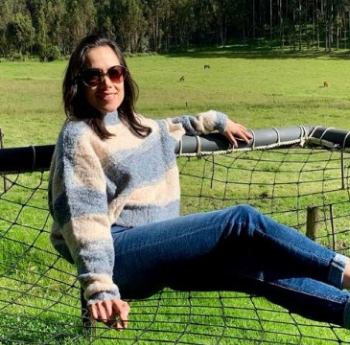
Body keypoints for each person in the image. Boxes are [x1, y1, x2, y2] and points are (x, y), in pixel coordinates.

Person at [48, 33, 350, 332]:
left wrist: (216, 121)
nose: (107, 83)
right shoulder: (79, 135)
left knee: (255, 270)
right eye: (93, 76)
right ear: (78, 82)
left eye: (115, 72)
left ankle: (345, 311)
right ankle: (343, 269)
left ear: (124, 75)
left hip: (161, 248)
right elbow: (83, 218)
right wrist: (100, 287)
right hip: (119, 254)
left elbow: (172, 127)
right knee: (241, 220)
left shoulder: (135, 125)